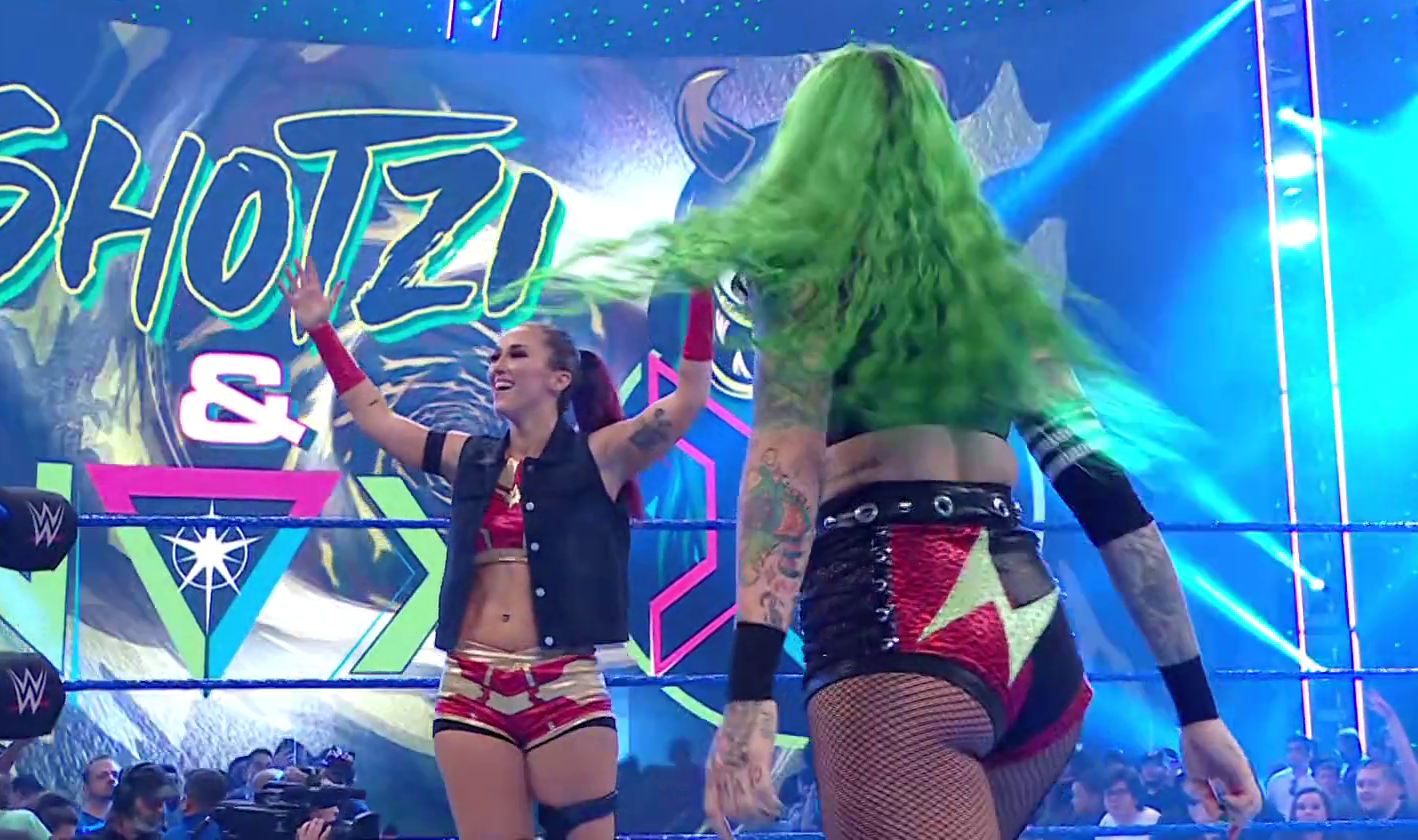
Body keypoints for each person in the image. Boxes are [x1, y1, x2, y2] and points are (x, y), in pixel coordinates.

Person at [533, 44, 1262, 840]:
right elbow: (1112, 506)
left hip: (899, 623)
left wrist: (749, 694)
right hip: (1030, 638)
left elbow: (784, 473)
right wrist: (1197, 709)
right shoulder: (1003, 294)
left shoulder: (809, 279)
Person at [282, 254, 716, 840]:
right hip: (470, 687)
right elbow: (377, 418)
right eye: (494, 357)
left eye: (516, 354)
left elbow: (688, 397)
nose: (497, 366)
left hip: (563, 684)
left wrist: (701, 291)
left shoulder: (601, 455)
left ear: (559, 379)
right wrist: (322, 331)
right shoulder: (470, 458)